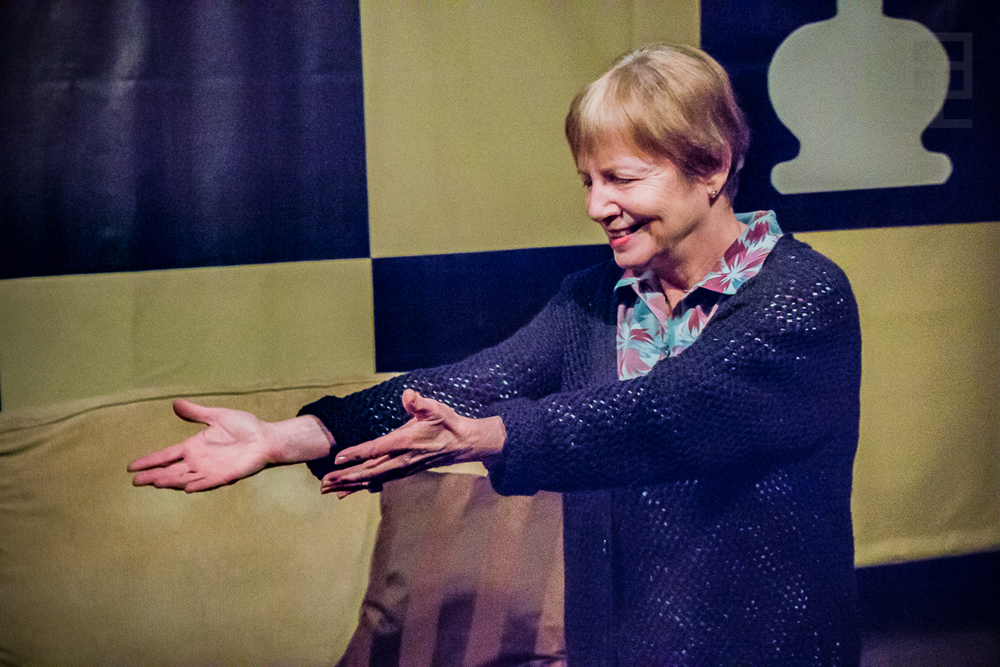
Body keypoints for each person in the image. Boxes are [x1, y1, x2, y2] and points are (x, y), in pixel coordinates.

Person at [129, 44, 862, 665]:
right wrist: (289, 436)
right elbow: (473, 383)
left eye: (622, 179)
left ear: (711, 168)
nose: (596, 206)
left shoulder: (803, 299)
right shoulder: (593, 298)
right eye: (588, 180)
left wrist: (496, 437)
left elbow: (664, 414)